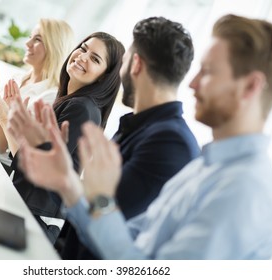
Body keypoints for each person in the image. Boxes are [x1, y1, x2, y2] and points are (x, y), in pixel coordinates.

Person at [18, 14, 272, 259]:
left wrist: (92, 193)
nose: (192, 85)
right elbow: (130, 245)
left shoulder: (243, 190)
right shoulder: (206, 167)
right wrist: (67, 182)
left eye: (207, 72)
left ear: (251, 87)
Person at [54, 16, 201, 259]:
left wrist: (64, 179)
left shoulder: (169, 143)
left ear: (136, 64)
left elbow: (108, 221)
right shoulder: (143, 127)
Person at [0, 31, 125, 242]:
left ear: (104, 76)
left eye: (95, 59)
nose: (82, 57)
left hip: (35, 221)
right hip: (27, 210)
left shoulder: (82, 108)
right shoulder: (73, 101)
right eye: (83, 48)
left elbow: (37, 165)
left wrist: (6, 118)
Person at [0, 18, 74, 154]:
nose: (27, 43)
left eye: (37, 39)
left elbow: (1, 146)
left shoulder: (49, 97)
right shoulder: (17, 80)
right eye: (30, 37)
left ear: (54, 47)